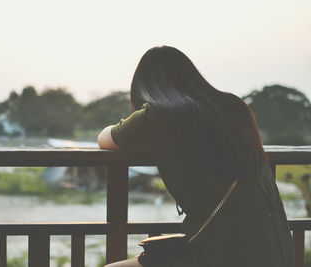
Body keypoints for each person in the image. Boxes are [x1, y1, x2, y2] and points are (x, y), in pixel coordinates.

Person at [97, 46, 295, 267]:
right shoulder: (233, 106)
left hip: (224, 253)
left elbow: (105, 139)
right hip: (277, 251)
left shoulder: (160, 115)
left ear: (146, 87)